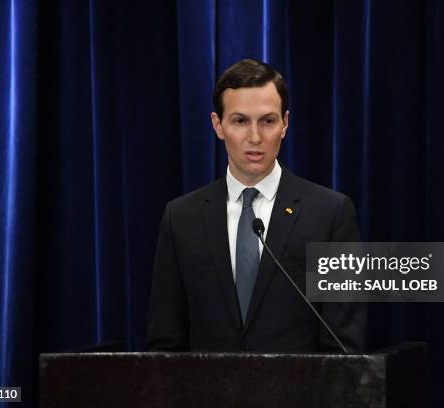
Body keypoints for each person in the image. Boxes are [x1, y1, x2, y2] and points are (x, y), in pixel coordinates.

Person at [146, 59, 366, 352]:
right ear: (218, 125)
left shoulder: (330, 214)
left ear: (285, 124)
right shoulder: (181, 217)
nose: (254, 137)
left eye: (267, 121)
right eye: (240, 121)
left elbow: (343, 345)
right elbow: (164, 343)